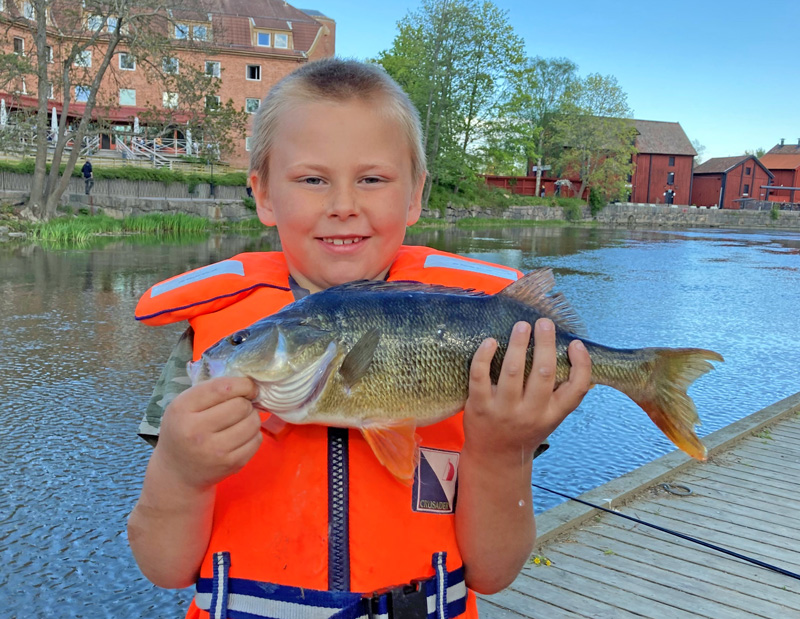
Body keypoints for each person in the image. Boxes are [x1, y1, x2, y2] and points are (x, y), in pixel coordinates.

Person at [127, 59, 592, 619]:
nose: (343, 204)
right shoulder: (212, 348)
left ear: (415, 195)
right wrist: (180, 472)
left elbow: (493, 573)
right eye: (312, 179)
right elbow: (163, 567)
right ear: (264, 194)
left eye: (372, 179)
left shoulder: (484, 327)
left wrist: (502, 453)